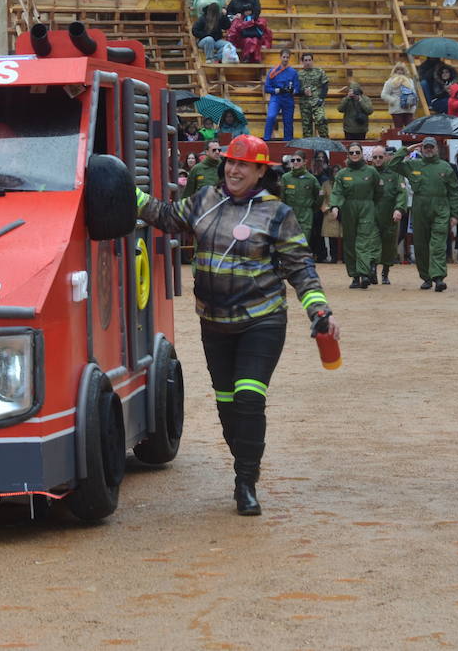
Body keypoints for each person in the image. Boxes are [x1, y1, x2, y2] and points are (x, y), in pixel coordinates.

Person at [135, 134, 336, 515]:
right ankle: (243, 458)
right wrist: (126, 192)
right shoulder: (204, 201)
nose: (234, 169)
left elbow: (300, 268)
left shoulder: (278, 213)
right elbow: (165, 216)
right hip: (214, 323)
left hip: (261, 320)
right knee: (227, 405)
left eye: (243, 164)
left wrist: (319, 311)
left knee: (248, 397)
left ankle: (246, 482)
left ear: (261, 171)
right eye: (230, 162)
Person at [388, 136, 458, 291]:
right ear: (421, 149)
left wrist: (455, 214)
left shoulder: (446, 167)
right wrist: (406, 150)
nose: (428, 150)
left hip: (440, 208)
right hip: (419, 208)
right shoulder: (413, 165)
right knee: (421, 244)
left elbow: (455, 192)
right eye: (426, 147)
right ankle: (426, 277)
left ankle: (438, 277)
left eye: (431, 147)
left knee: (438, 244)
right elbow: (393, 164)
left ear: (437, 149)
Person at [329, 143, 382, 288]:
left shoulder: (371, 172)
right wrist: (335, 206)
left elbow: (379, 191)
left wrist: (371, 204)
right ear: (348, 155)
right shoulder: (342, 174)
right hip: (348, 209)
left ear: (362, 153)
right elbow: (337, 192)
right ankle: (354, 275)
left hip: (366, 207)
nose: (354, 155)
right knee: (350, 242)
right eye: (351, 153)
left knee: (364, 241)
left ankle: (364, 273)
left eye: (357, 152)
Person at [368, 145, 407, 284]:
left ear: (385, 157)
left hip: (390, 214)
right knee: (373, 242)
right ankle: (372, 269)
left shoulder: (394, 173)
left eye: (380, 157)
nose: (378, 160)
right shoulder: (368, 172)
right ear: (371, 159)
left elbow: (402, 193)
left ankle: (385, 273)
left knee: (389, 245)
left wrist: (399, 209)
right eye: (375, 157)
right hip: (372, 214)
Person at [279, 152, 321, 248]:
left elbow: (320, 195)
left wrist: (312, 208)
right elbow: (282, 197)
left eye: (298, 160)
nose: (295, 162)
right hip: (290, 214)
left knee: (303, 244)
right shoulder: (286, 178)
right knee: (289, 244)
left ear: (305, 162)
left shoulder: (311, 179)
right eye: (293, 160)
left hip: (306, 215)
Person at [263, 48, 300, 141]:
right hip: (276, 98)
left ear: (289, 58)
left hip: (288, 99)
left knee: (288, 121)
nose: (285, 59)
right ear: (280, 57)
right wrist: (277, 90)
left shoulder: (293, 72)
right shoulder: (273, 71)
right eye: (284, 57)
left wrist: (293, 91)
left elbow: (297, 88)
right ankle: (267, 139)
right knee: (271, 116)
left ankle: (288, 141)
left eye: (287, 57)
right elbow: (267, 88)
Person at [295, 53, 329, 139]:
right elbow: (295, 90)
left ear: (312, 61)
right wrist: (303, 92)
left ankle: (325, 140)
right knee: (306, 126)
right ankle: (308, 145)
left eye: (309, 60)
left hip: (317, 102)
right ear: (302, 62)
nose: (308, 62)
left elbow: (325, 85)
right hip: (304, 103)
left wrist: (321, 98)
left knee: (321, 120)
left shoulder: (319, 71)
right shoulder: (298, 74)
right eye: (305, 60)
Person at [382, 62, 419, 128]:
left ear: (405, 71)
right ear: (395, 70)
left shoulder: (410, 81)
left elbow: (413, 93)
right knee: (398, 129)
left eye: (402, 70)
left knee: (410, 129)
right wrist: (394, 101)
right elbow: (384, 94)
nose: (400, 71)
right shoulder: (390, 81)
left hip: (409, 108)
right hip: (397, 109)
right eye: (398, 69)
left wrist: (413, 103)